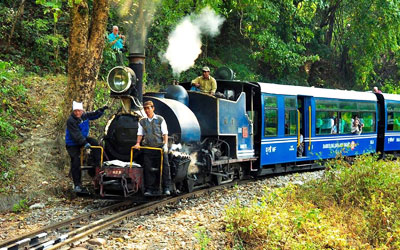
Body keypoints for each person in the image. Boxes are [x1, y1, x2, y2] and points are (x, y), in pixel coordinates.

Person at [65, 101, 108, 193]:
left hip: (83, 139)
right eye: (75, 111)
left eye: (79, 111)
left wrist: (101, 110)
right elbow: (76, 135)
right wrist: (84, 143)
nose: (77, 113)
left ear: (82, 111)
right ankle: (77, 185)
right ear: (73, 111)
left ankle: (98, 164)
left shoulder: (84, 116)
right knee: (75, 160)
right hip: (72, 143)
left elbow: (94, 114)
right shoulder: (71, 120)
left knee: (95, 143)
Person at [133, 101, 171, 196]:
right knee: (148, 168)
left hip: (159, 147)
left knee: (165, 167)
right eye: (145, 109)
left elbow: (165, 133)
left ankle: (166, 187)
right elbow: (140, 133)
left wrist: (165, 144)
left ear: (153, 108)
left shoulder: (160, 119)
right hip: (148, 147)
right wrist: (138, 143)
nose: (147, 110)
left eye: (148, 108)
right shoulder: (142, 121)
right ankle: (149, 189)